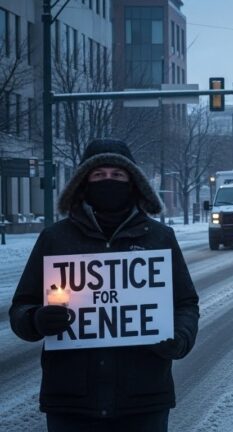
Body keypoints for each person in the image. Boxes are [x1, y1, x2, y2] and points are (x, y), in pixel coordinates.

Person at [9, 139, 200, 432]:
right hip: (71, 403)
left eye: (117, 175)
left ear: (133, 183)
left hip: (143, 400)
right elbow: (21, 308)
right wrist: (36, 319)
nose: (108, 181)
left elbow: (185, 304)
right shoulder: (55, 239)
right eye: (99, 175)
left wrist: (180, 336)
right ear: (83, 183)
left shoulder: (159, 238)